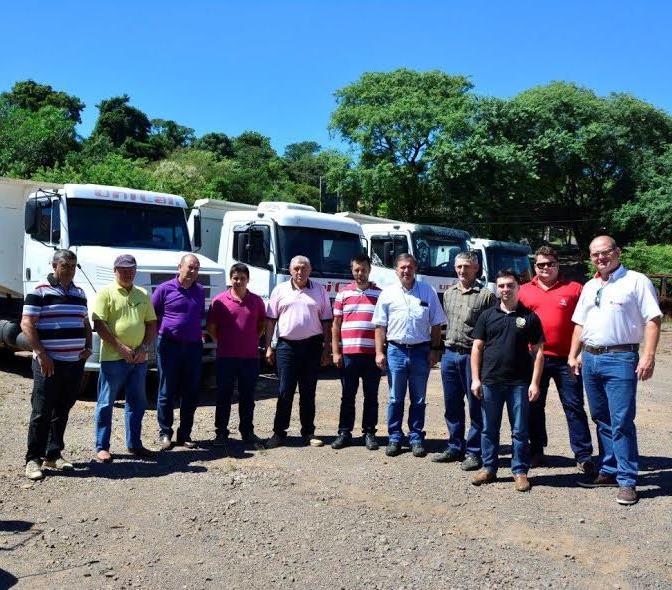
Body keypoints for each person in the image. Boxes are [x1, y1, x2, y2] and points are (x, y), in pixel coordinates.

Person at [569, 236, 662, 506]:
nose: (601, 258)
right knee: (601, 417)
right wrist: (573, 354)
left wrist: (649, 355)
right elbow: (579, 324)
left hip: (621, 358)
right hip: (591, 358)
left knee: (621, 421)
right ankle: (608, 470)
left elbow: (652, 320)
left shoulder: (636, 281)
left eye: (605, 252)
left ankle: (627, 480)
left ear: (617, 252)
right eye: (595, 254)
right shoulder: (590, 285)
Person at [519, 246, 594, 472]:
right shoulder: (523, 291)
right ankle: (536, 450)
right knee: (533, 405)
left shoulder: (574, 289)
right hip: (534, 359)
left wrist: (579, 353)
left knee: (574, 406)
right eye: (541, 264)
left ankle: (583, 455)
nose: (546, 268)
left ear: (557, 264)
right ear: (535, 267)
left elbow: (586, 323)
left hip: (566, 359)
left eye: (550, 263)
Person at [21, 250, 92, 481]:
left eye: (73, 265)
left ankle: (53, 453)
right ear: (54, 265)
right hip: (48, 363)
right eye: (65, 265)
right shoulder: (39, 291)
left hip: (73, 364)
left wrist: (88, 347)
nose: (70, 269)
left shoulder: (80, 293)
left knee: (62, 409)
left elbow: (85, 322)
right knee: (42, 411)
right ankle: (33, 459)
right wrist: (41, 353)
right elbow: (27, 324)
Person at [471, 270, 545, 492]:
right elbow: (477, 347)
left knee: (520, 430)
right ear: (496, 288)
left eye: (510, 285)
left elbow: (539, 351)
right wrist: (476, 379)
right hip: (490, 381)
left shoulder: (529, 317)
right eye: (501, 285)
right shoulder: (487, 316)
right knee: (488, 429)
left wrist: (535, 383)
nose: (505, 289)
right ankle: (488, 468)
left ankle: (520, 471)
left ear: (518, 287)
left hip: (519, 383)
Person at [373, 253, 446, 458]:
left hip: (421, 352)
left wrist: (435, 349)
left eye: (410, 267)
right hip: (395, 350)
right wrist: (379, 352)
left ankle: (415, 437)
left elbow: (436, 323)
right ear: (396, 270)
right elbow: (379, 325)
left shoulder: (427, 291)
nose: (406, 271)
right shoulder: (387, 294)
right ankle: (394, 437)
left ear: (415, 269)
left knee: (419, 399)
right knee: (395, 398)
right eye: (402, 267)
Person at [432, 251, 495, 470]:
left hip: (473, 357)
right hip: (449, 355)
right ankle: (454, 446)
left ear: (476, 268)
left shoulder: (486, 296)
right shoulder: (449, 294)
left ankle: (474, 452)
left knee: (476, 405)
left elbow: (491, 329)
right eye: (459, 266)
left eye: (467, 266)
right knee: (452, 405)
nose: (462, 270)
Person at [92, 254, 157, 462]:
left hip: (138, 359)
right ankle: (102, 446)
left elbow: (151, 324)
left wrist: (144, 347)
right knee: (106, 403)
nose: (128, 273)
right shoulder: (106, 293)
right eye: (123, 269)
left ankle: (135, 444)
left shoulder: (143, 294)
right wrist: (121, 348)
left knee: (137, 403)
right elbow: (99, 325)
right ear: (115, 270)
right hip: (113, 359)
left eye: (131, 269)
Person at [264, 256, 332, 448]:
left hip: (312, 346)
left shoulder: (320, 290)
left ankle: (308, 433)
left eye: (303, 268)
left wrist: (326, 349)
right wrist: (269, 346)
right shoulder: (280, 290)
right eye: (296, 269)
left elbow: (327, 321)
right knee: (285, 390)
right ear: (290, 270)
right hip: (287, 347)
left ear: (310, 270)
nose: (299, 272)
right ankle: (279, 434)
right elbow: (271, 320)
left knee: (308, 392)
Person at [206, 263, 266, 451]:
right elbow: (212, 327)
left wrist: (249, 339)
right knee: (224, 395)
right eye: (235, 278)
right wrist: (223, 341)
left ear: (248, 279)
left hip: (250, 357)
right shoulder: (219, 300)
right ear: (230, 279)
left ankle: (247, 431)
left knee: (248, 396)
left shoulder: (256, 301)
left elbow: (261, 325)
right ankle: (221, 432)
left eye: (242, 278)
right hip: (226, 357)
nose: (238, 281)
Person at [151, 254, 205, 451]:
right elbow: (151, 314)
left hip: (193, 347)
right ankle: (165, 433)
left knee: (190, 392)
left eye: (196, 268)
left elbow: (198, 316)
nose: (193, 272)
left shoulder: (199, 291)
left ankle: (185, 434)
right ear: (179, 267)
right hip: (169, 345)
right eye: (190, 267)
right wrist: (160, 334)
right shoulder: (164, 289)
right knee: (167, 390)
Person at [331, 254, 382, 451]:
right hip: (349, 354)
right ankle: (344, 433)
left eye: (363, 270)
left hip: (371, 355)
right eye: (356, 270)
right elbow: (336, 325)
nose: (360, 274)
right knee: (347, 395)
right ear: (352, 271)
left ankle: (369, 433)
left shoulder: (379, 294)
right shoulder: (343, 294)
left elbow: (382, 325)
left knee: (371, 396)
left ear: (369, 270)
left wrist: (380, 352)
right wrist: (336, 352)